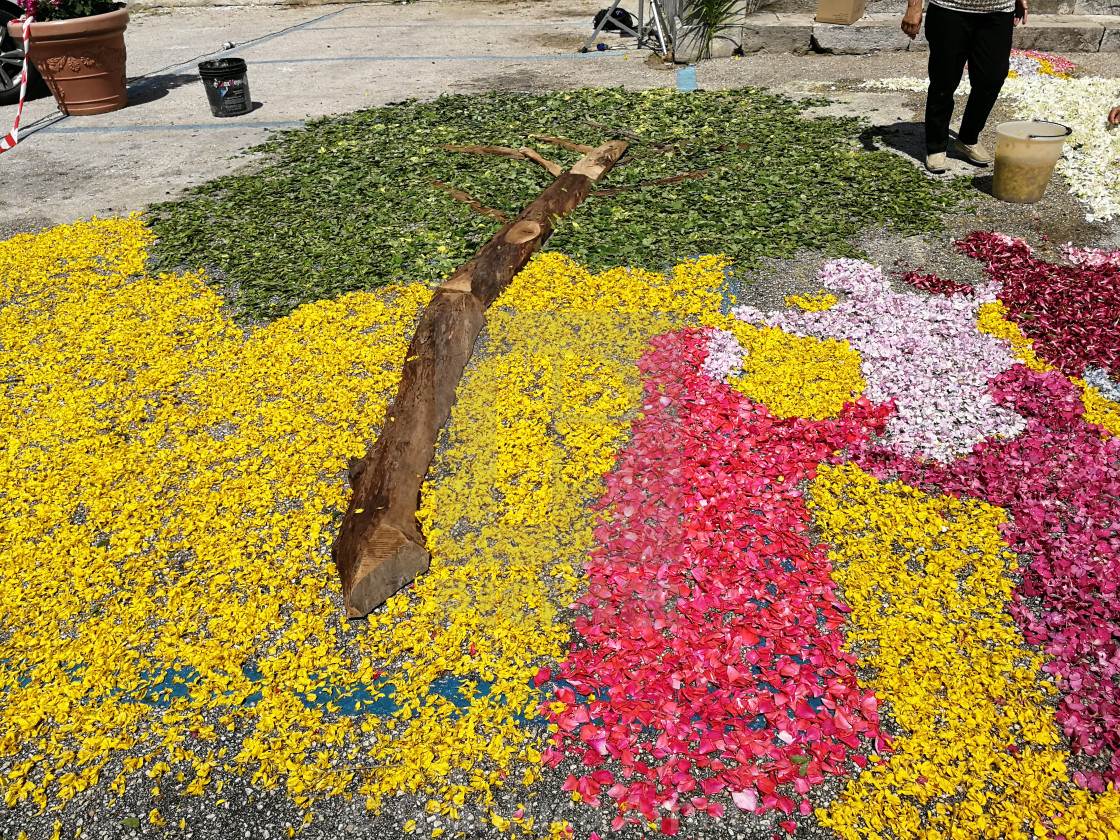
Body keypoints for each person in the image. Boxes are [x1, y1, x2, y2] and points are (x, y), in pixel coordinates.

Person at [902, 0, 1028, 174]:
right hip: (950, 9)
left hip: (998, 12)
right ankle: (936, 146)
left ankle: (968, 138)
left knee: (993, 76)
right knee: (943, 80)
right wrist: (914, 6)